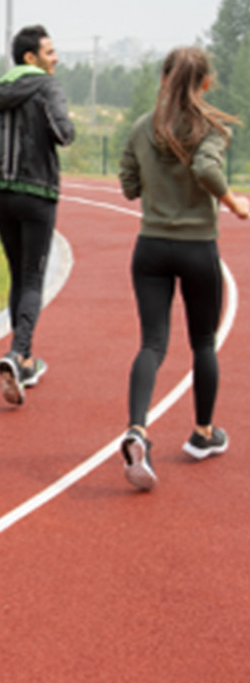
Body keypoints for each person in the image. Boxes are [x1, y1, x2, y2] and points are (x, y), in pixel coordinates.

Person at [117, 46, 248, 490]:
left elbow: (129, 188)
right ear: (206, 82)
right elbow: (206, 169)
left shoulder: (141, 127)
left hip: (150, 246)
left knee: (152, 344)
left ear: (163, 79)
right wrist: (233, 204)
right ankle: (203, 434)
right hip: (196, 249)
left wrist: (154, 179)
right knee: (203, 343)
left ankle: (137, 429)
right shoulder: (209, 129)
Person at [0, 24, 75, 405]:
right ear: (31, 58)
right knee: (32, 278)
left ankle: (24, 360)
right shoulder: (47, 87)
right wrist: (62, 118)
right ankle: (16, 354)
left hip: (2, 195)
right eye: (49, 52)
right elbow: (65, 133)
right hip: (38, 192)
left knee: (18, 275)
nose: (55, 58)